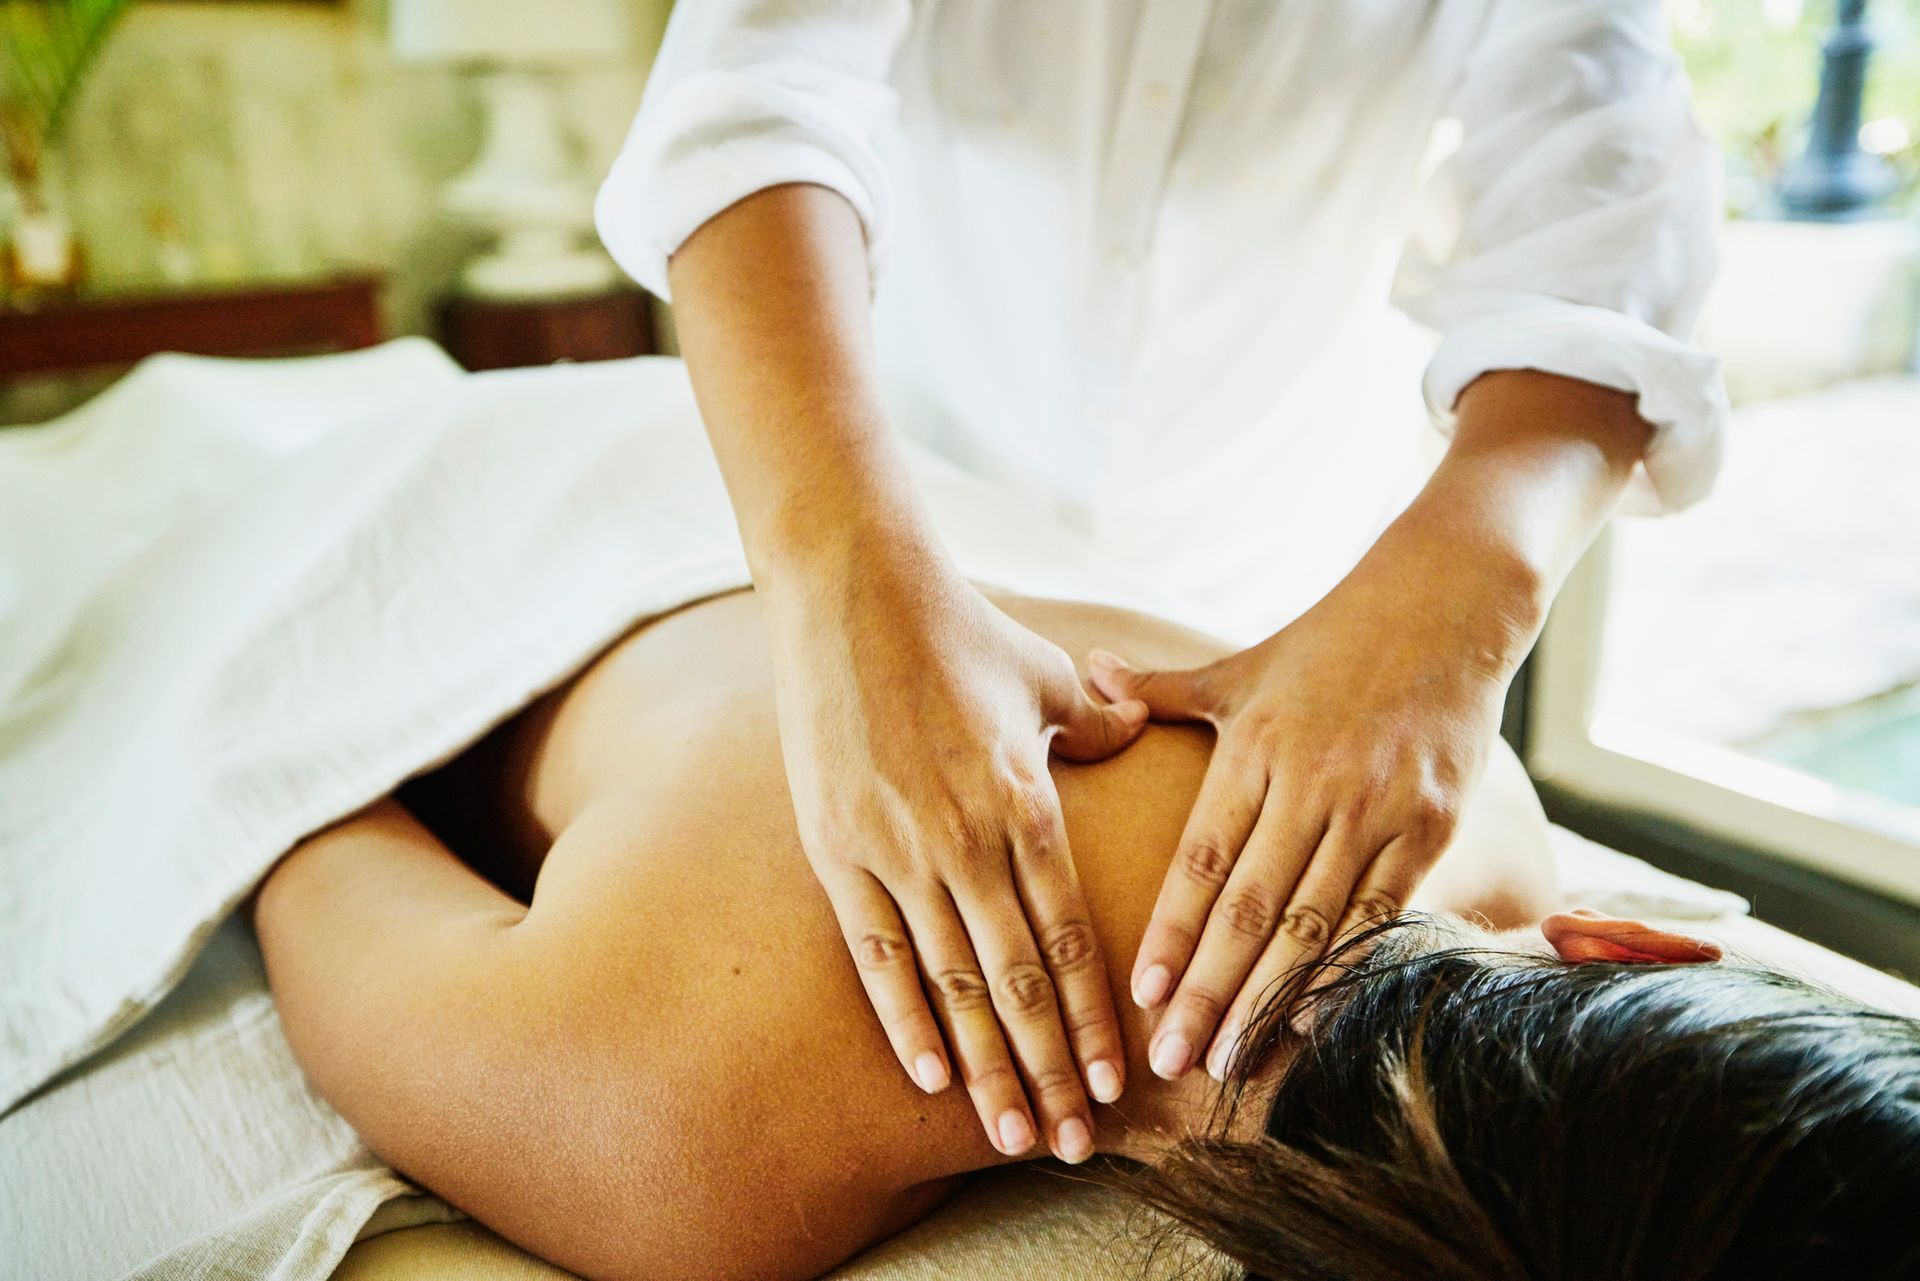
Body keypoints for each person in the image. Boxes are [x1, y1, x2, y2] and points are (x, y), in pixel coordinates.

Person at [592, 0, 1733, 1154]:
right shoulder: (1503, 846)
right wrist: (834, 585)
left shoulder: (1488, 839)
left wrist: (1463, 609)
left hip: (1283, 585)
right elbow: (751, 97)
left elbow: (1600, 228)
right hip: (850, 491)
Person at [253, 586, 1920, 1281]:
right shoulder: (673, 1138)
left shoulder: (1461, 781)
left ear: (1637, 948)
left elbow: (298, 799)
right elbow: (300, 823)